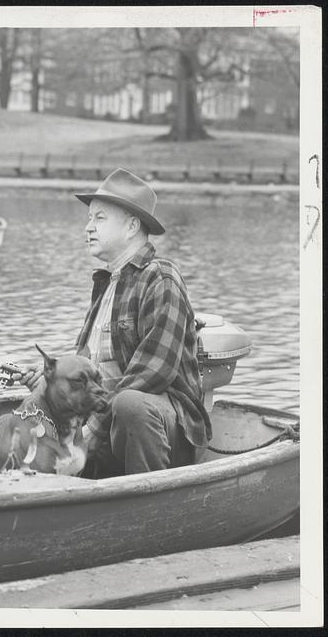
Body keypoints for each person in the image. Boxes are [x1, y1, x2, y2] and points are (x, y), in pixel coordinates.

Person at [16, 168, 210, 476]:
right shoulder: (106, 284)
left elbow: (152, 371)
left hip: (165, 431)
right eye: (89, 218)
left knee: (131, 404)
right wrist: (51, 379)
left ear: (132, 225)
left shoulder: (162, 278)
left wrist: (93, 427)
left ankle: (148, 501)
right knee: (32, 405)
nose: (88, 228)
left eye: (99, 218)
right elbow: (88, 364)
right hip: (108, 423)